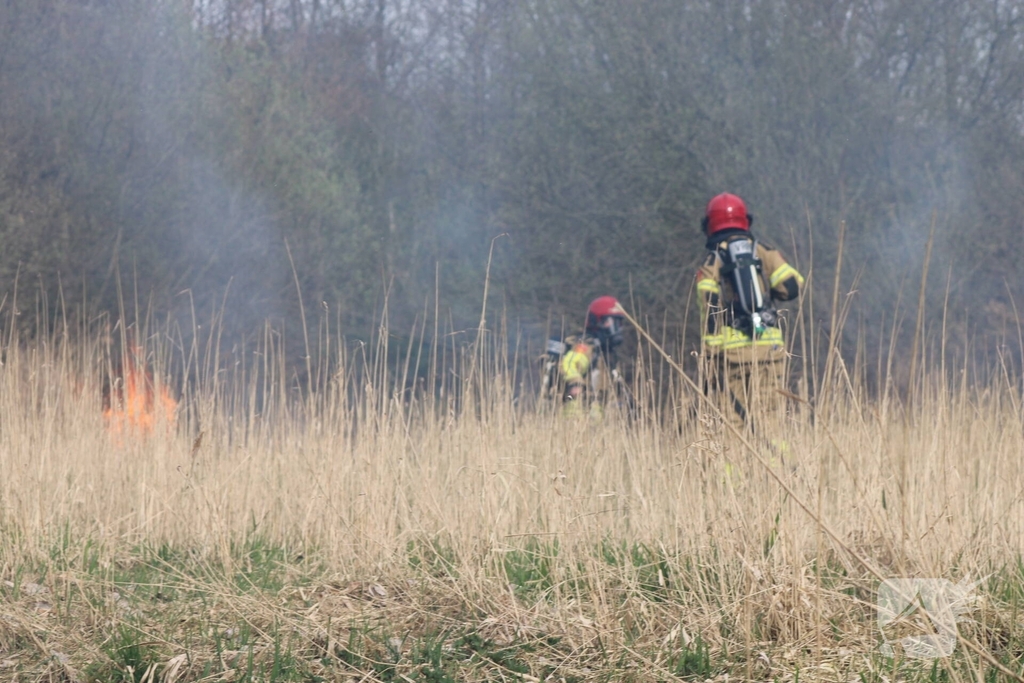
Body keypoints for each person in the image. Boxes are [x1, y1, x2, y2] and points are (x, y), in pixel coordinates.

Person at [695, 193, 804, 435]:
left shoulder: (712, 260)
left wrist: (710, 355)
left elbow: (709, 305)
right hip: (770, 349)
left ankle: (732, 473)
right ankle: (777, 470)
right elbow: (791, 286)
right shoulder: (764, 250)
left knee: (733, 420)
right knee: (770, 416)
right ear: (746, 221)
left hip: (731, 353)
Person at [541, 296, 627, 416]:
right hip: (574, 403)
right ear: (598, 321)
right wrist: (575, 383)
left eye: (619, 323)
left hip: (594, 409)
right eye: (613, 322)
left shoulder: (606, 353)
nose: (618, 328)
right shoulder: (586, 345)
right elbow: (570, 363)